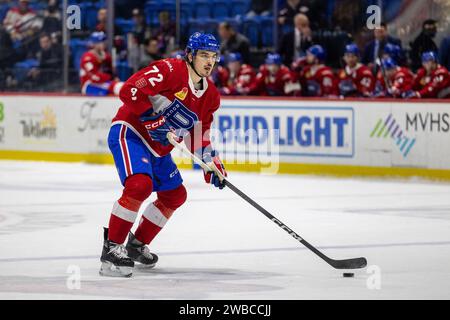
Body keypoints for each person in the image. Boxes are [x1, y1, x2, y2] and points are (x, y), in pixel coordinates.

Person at [99, 32, 227, 277]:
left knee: (174, 195)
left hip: (158, 147)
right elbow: (130, 90)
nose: (209, 62)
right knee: (139, 186)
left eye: (213, 56)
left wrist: (212, 163)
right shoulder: (169, 70)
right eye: (204, 55)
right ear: (190, 55)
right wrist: (151, 117)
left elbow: (198, 133)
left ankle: (135, 246)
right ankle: (111, 249)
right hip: (131, 132)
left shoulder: (211, 96)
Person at [79, 31, 123, 96]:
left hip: (104, 82)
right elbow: (94, 77)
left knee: (122, 86)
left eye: (103, 41)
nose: (103, 43)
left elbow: (111, 71)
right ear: (94, 44)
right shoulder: (87, 57)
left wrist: (114, 77)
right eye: (100, 42)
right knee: (118, 88)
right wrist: (110, 78)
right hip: (89, 85)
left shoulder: (106, 56)